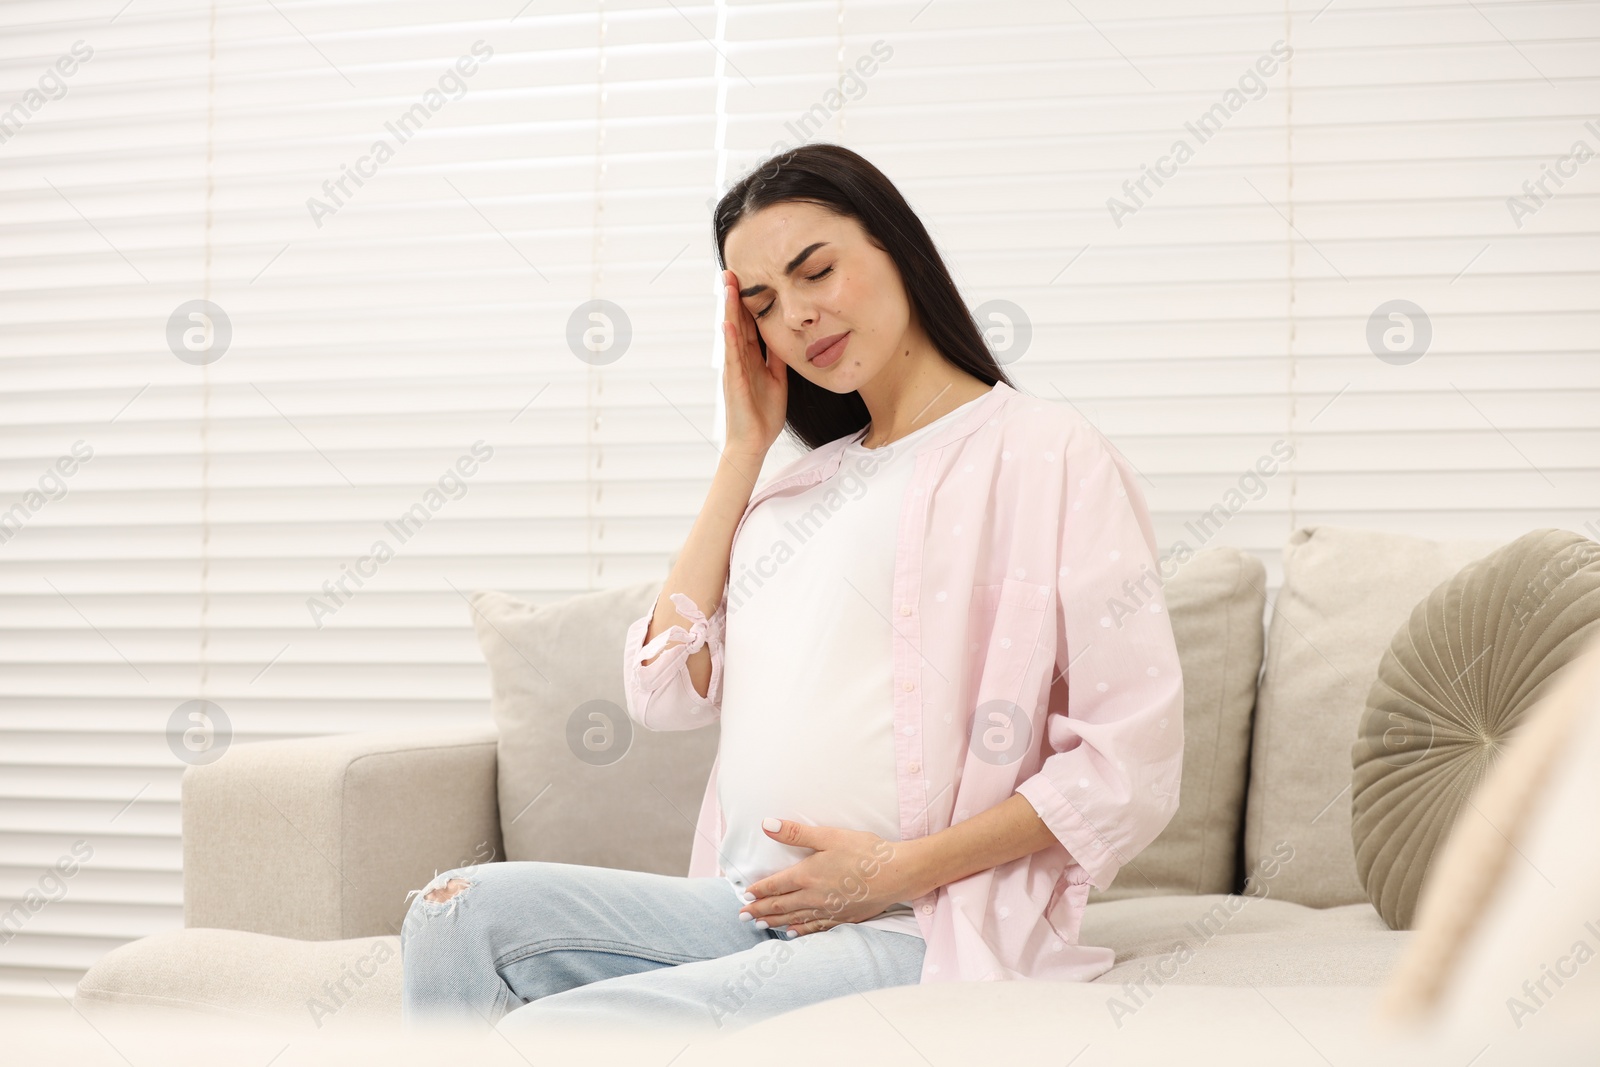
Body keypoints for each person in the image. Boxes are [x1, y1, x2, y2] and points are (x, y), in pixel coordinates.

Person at [400, 143, 1184, 1037]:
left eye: (816, 270)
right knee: (452, 912)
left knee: (553, 1036)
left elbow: (1124, 765)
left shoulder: (1047, 452)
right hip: (742, 911)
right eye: (765, 304)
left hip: (920, 925)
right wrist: (744, 449)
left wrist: (897, 870)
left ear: (897, 248)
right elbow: (661, 690)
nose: (801, 317)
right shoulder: (789, 490)